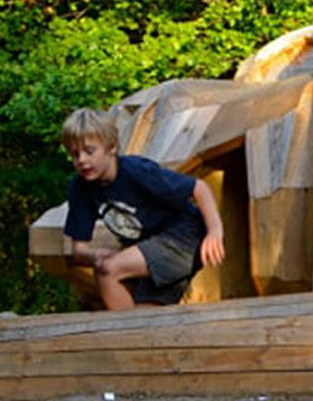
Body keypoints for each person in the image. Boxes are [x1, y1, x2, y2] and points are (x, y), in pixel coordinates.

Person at [60, 108, 226, 310]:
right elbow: (79, 250)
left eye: (89, 151)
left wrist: (215, 231)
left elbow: (199, 188)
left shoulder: (136, 171)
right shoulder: (81, 188)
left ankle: (125, 328)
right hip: (149, 248)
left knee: (107, 271)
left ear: (112, 148)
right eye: (75, 154)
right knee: (146, 315)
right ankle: (133, 329)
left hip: (184, 238)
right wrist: (94, 256)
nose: (82, 160)